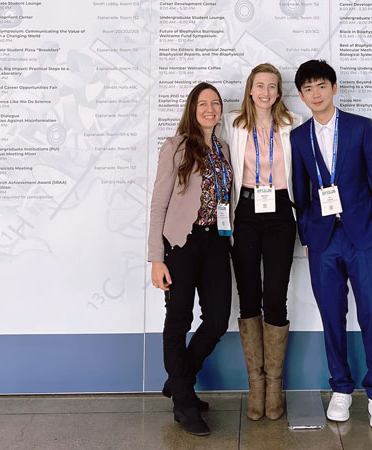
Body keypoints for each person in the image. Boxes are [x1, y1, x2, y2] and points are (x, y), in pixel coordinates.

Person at [290, 60, 372, 429]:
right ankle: (340, 388)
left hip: (365, 237)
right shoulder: (298, 136)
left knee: (371, 313)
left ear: (334, 88)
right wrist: (307, 236)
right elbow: (300, 191)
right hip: (323, 241)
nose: (315, 94)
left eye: (321, 85)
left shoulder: (359, 127)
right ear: (302, 96)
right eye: (308, 89)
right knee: (331, 317)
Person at [148, 82, 233, 436]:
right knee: (179, 319)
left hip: (216, 242)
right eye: (203, 103)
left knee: (217, 320)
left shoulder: (224, 148)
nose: (210, 109)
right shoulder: (176, 146)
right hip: (181, 244)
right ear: (191, 108)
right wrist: (156, 257)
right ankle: (183, 403)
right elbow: (159, 204)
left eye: (215, 103)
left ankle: (179, 381)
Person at [220, 63, 303, 420]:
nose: (266, 92)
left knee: (276, 296)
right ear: (250, 90)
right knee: (249, 294)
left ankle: (275, 387)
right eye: (259, 85)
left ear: (279, 91)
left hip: (282, 211)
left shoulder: (295, 123)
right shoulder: (233, 122)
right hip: (247, 211)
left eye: (272, 86)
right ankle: (256, 383)